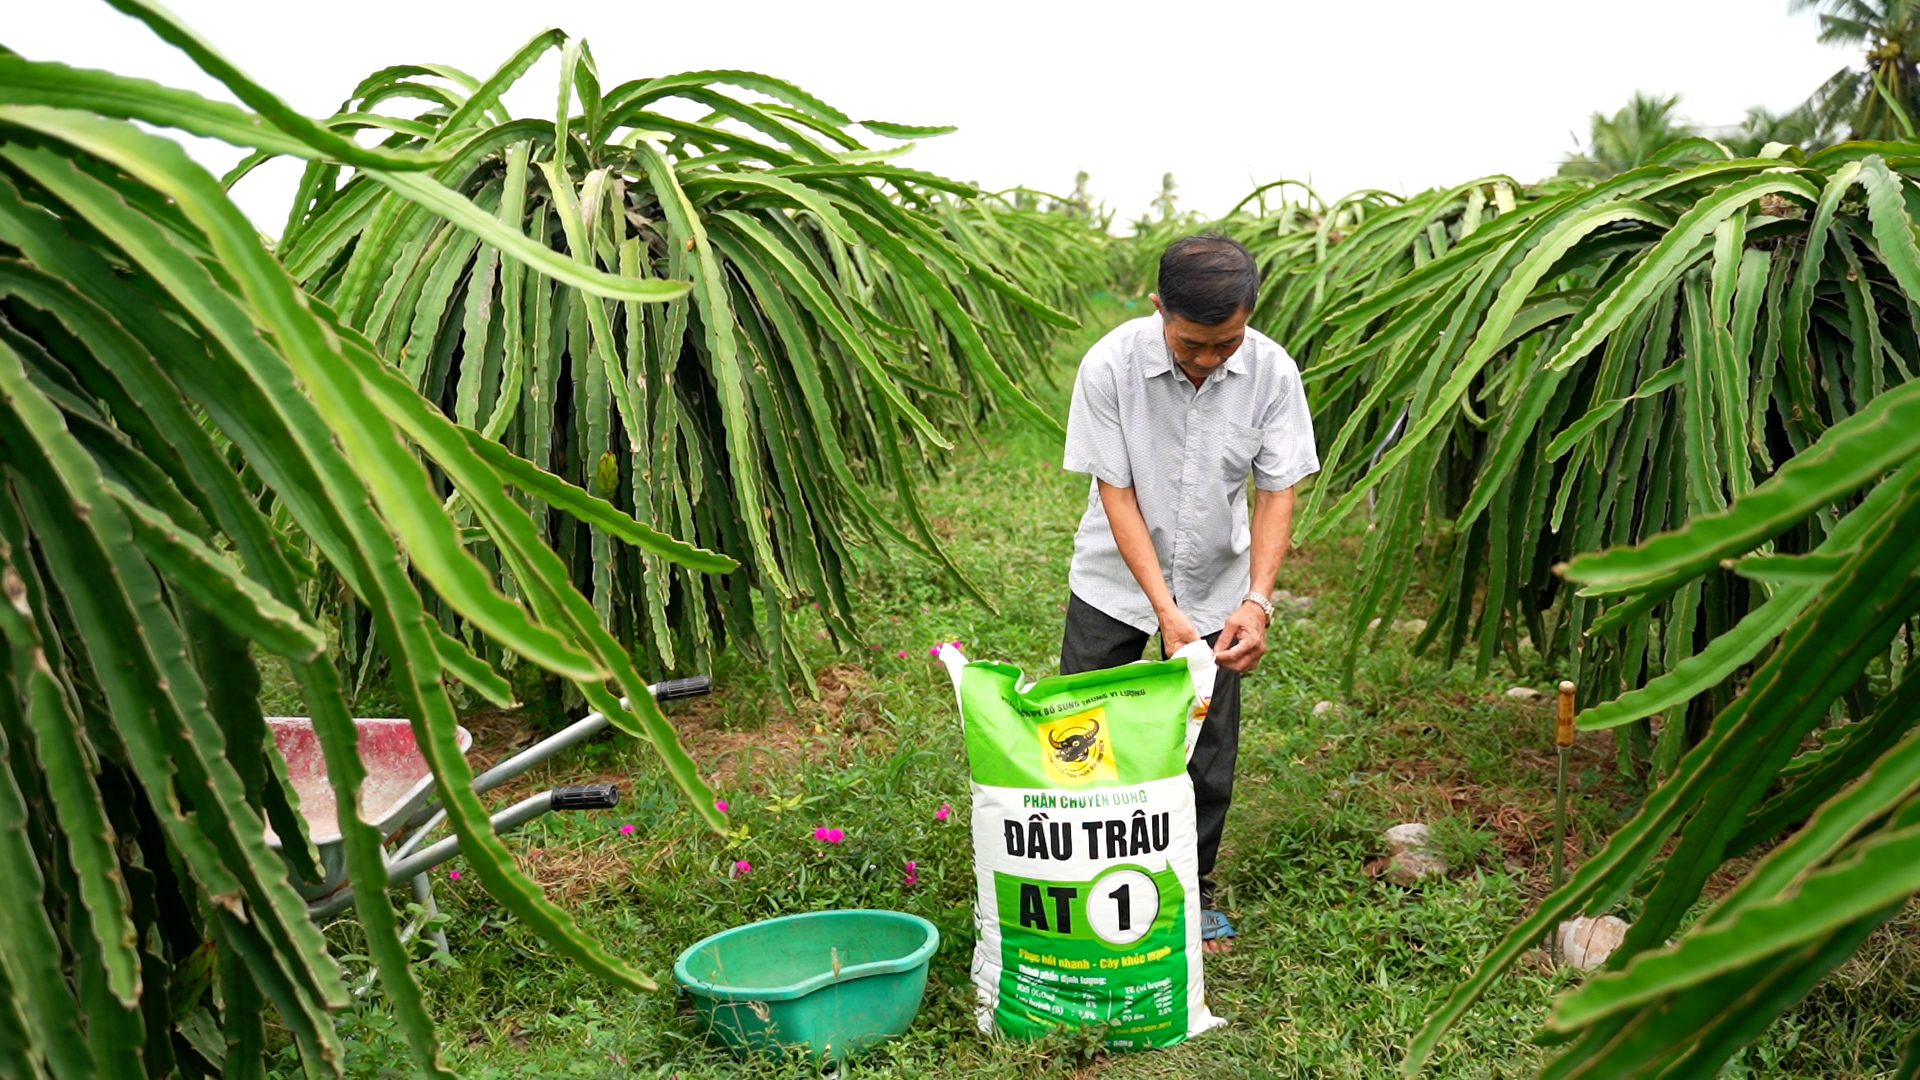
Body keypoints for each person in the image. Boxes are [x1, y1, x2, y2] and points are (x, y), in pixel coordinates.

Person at [1058, 233, 1319, 955]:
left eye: (1225, 343)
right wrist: (1164, 613)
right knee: (1085, 735)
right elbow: (1116, 493)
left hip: (1217, 584)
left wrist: (1257, 601)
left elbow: (1276, 491)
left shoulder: (1270, 372)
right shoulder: (1110, 365)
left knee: (1206, 748)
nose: (1209, 358)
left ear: (1248, 319)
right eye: (1192, 343)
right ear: (1158, 309)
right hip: (1114, 579)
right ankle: (1086, 882)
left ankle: (1189, 889)